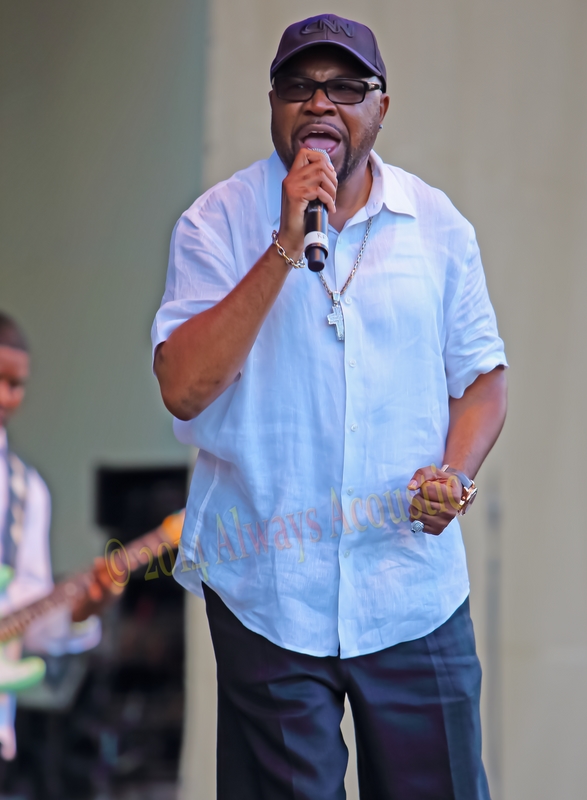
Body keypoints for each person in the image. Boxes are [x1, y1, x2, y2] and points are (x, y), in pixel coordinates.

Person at [152, 14, 508, 800]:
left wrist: (454, 472)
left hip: (410, 590)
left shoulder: (437, 226)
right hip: (269, 587)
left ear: (381, 106)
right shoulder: (215, 223)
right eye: (298, 86)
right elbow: (183, 386)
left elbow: (482, 379)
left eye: (345, 87)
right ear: (272, 103)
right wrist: (284, 243)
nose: (320, 103)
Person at [0, 311, 116, 762]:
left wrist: (81, 612)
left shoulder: (27, 493)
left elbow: (27, 620)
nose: (5, 396)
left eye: (15, 384)